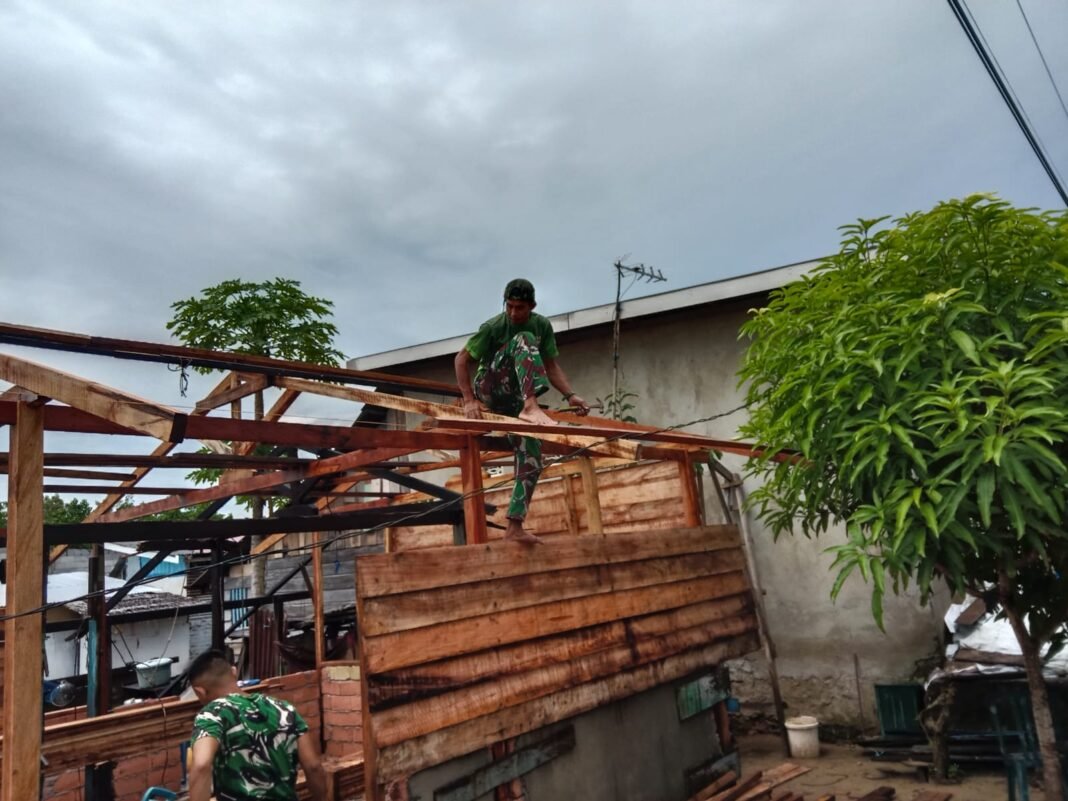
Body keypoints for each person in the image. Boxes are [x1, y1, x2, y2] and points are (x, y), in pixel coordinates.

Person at [454, 278, 591, 543]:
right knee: (523, 340)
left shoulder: (541, 326)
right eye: (510, 306)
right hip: (490, 386)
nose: (514, 313)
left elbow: (551, 366)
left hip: (514, 398)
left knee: (532, 455)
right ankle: (531, 406)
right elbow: (461, 360)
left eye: (520, 308)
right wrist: (469, 399)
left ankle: (515, 525)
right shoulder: (494, 327)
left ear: (532, 306)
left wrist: (571, 395)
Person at [187, 649, 326, 801]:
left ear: (200, 691)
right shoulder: (285, 709)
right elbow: (313, 767)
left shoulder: (212, 714)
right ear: (234, 672)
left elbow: (201, 765)